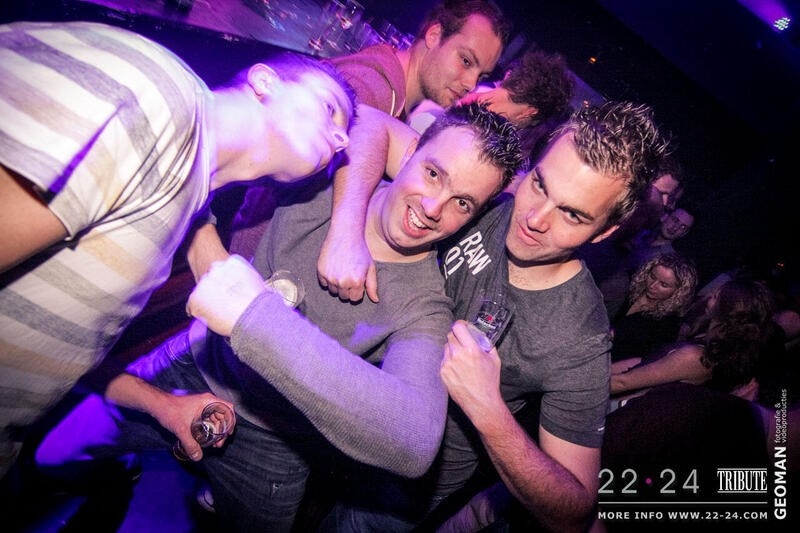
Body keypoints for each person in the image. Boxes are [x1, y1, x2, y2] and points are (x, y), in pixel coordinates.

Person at [35, 103, 527, 532]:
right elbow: (195, 167)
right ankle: (121, 473)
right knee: (51, 456)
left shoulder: (426, 306)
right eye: (434, 173)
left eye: (462, 203)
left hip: (275, 445)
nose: (434, 207)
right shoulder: (324, 180)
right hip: (195, 364)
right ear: (410, 151)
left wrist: (251, 314)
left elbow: (414, 442)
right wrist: (209, 246)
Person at [0, 20, 356, 480]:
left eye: (344, 135)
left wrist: (163, 405)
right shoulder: (157, 100)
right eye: (329, 108)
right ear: (265, 82)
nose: (342, 138)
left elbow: (60, 344)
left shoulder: (184, 198)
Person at [323, 101, 672, 531]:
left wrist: (487, 409)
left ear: (604, 231)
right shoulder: (487, 199)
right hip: (342, 391)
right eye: (540, 184)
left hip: (403, 481)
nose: (535, 218)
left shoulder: (579, 338)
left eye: (571, 214)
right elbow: (368, 123)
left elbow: (574, 511)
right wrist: (345, 228)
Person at [611, 278, 780, 399]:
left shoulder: (697, 356)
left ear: (727, 310)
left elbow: (624, 384)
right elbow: (651, 361)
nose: (710, 297)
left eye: (716, 296)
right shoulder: (713, 342)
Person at [409, 45, 575, 162]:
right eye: (532, 123)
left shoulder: (465, 96)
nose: (521, 128)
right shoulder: (484, 132)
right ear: (530, 112)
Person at [610, 252, 698, 362]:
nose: (652, 286)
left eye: (664, 285)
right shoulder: (631, 289)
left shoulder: (668, 324)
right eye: (652, 276)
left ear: (679, 291)